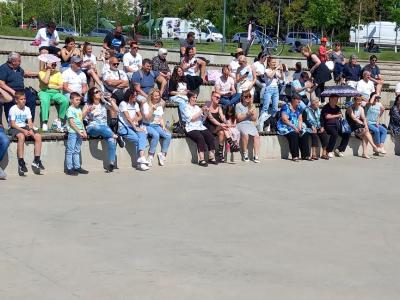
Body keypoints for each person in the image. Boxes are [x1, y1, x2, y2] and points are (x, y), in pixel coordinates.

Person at [84, 87, 124, 172]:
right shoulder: (87, 105)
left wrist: (110, 99)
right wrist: (87, 111)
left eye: (99, 91)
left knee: (111, 140)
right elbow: (80, 118)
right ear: (92, 95)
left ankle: (111, 163)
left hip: (105, 128)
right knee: (97, 127)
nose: (99, 93)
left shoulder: (103, 104)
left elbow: (117, 110)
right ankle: (117, 136)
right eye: (96, 92)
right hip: (92, 128)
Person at [8, 91, 44, 176]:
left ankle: (37, 160)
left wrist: (30, 129)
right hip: (14, 128)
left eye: (24, 99)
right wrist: (23, 131)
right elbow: (13, 124)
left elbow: (30, 122)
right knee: (21, 136)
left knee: (38, 136)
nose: (24, 100)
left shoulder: (27, 108)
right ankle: (21, 162)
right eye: (21, 99)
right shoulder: (13, 109)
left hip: (25, 127)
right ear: (16, 100)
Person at [0, 52, 38, 123]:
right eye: (19, 61)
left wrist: (39, 73)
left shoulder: (18, 68)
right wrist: (13, 92)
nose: (20, 62)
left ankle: (29, 123)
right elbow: (1, 83)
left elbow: (25, 73)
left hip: (21, 90)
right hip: (10, 91)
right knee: (12, 100)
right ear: (13, 61)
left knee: (31, 97)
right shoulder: (4, 68)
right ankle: (12, 124)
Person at [117, 89, 149, 171]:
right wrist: (135, 127)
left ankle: (141, 159)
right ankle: (140, 162)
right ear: (129, 96)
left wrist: (136, 119)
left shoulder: (135, 104)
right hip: (123, 127)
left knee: (142, 134)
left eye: (136, 96)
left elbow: (140, 116)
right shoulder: (123, 104)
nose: (136, 97)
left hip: (132, 126)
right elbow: (127, 118)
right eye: (134, 96)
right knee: (137, 139)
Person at [182, 91, 217, 167]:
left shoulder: (197, 107)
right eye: (193, 97)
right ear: (189, 98)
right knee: (200, 137)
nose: (195, 99)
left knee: (210, 136)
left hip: (200, 126)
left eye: (196, 97)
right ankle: (201, 159)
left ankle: (211, 156)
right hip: (191, 128)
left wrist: (206, 113)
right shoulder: (186, 108)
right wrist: (201, 110)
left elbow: (203, 120)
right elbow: (192, 119)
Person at [204, 91, 240, 162]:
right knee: (223, 127)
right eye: (217, 97)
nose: (218, 99)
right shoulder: (207, 104)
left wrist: (226, 122)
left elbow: (222, 116)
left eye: (219, 98)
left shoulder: (219, 106)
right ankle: (231, 144)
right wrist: (221, 124)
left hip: (218, 126)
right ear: (212, 97)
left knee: (222, 132)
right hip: (209, 126)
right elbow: (211, 118)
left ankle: (220, 153)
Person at [141, 88, 172, 167]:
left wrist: (164, 126)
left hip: (157, 125)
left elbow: (161, 118)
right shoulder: (146, 105)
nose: (157, 97)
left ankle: (162, 154)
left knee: (168, 135)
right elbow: (147, 118)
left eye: (158, 96)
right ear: (151, 96)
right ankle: (150, 156)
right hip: (147, 125)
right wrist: (151, 110)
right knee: (156, 135)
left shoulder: (159, 105)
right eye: (155, 96)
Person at [38, 58, 69, 132]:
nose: (54, 66)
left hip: (56, 92)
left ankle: (59, 120)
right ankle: (44, 122)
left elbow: (61, 86)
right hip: (44, 91)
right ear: (47, 64)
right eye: (52, 64)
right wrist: (48, 70)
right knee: (45, 102)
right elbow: (45, 82)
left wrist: (51, 86)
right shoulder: (42, 72)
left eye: (55, 65)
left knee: (65, 100)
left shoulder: (58, 73)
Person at [277, 94, 311, 161]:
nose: (299, 101)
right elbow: (284, 119)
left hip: (296, 125)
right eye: (297, 99)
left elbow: (300, 119)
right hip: (286, 126)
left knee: (304, 133)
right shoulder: (286, 106)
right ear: (293, 100)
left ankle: (305, 155)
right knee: (294, 134)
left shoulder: (299, 108)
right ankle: (295, 156)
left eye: (300, 99)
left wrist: (299, 127)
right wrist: (294, 127)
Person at [257, 57, 284, 132]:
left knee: (275, 108)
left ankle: (271, 123)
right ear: (268, 63)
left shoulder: (275, 71)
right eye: (273, 62)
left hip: (276, 89)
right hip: (268, 89)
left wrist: (281, 71)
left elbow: (282, 78)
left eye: (275, 62)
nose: (274, 64)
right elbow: (270, 76)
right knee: (265, 108)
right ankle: (261, 123)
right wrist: (276, 68)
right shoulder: (266, 70)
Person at [65, 92, 89, 176]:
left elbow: (81, 121)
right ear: (71, 100)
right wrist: (79, 132)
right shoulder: (70, 110)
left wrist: (84, 131)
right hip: (73, 133)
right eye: (76, 100)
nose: (78, 101)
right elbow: (72, 123)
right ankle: (69, 168)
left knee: (77, 150)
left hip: (80, 132)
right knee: (70, 151)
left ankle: (77, 166)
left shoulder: (79, 109)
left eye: (79, 100)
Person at [235, 90, 260, 163]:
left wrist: (251, 114)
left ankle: (256, 155)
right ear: (242, 97)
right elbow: (239, 118)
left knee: (257, 136)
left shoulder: (252, 105)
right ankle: (245, 154)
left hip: (249, 123)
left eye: (249, 96)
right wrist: (247, 114)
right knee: (245, 134)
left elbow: (255, 118)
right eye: (246, 96)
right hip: (241, 124)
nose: (248, 98)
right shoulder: (238, 105)